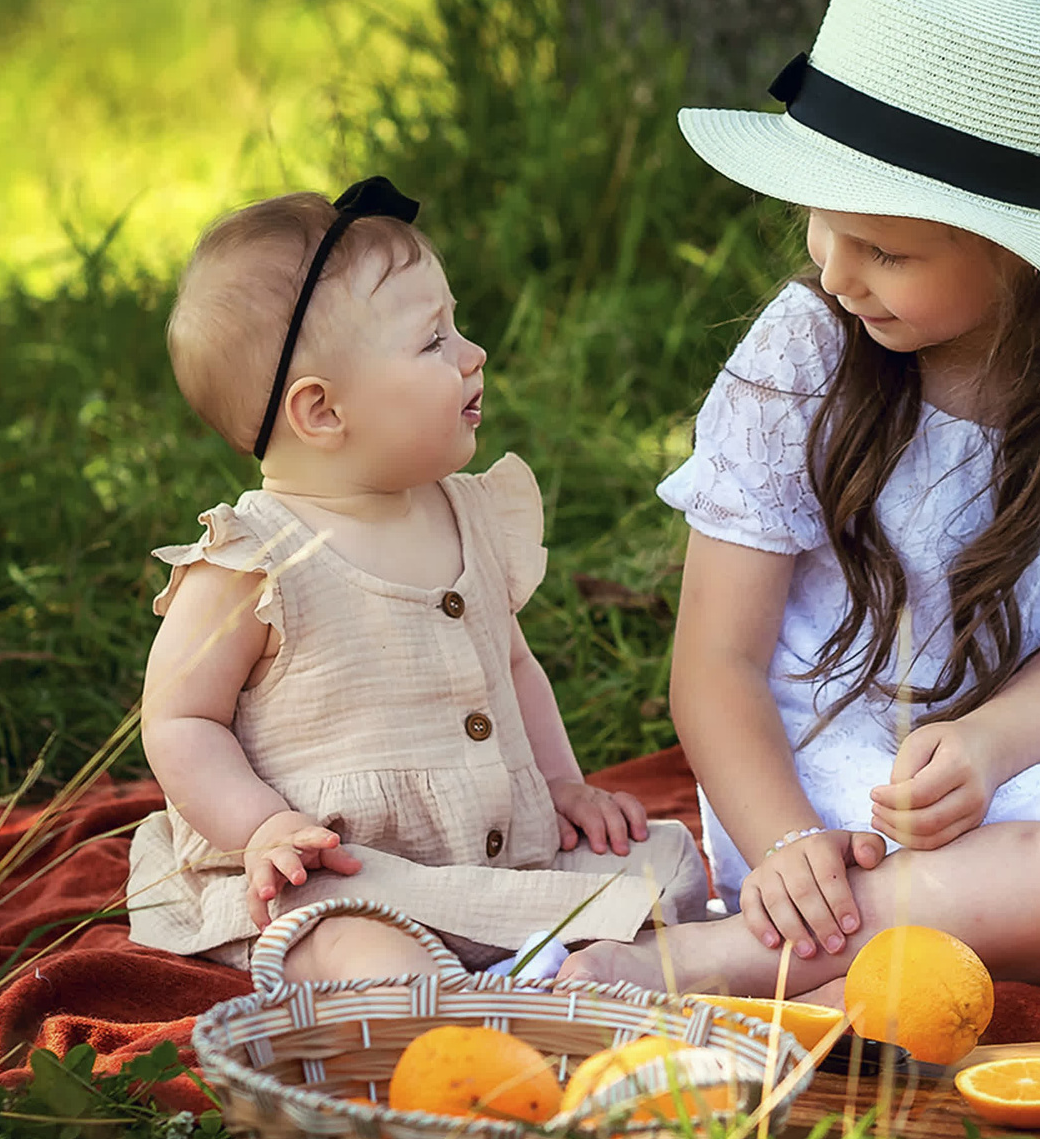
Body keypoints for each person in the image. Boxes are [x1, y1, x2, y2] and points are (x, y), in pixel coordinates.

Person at [558, 0, 1040, 997]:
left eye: (882, 246)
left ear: (1021, 251)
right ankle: (724, 955)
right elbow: (715, 665)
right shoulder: (805, 352)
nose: (831, 269)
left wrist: (994, 745)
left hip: (1017, 755)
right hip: (816, 794)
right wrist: (785, 848)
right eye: (819, 220)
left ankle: (846, 971)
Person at [125, 178, 708, 983]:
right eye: (434, 341)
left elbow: (512, 667)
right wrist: (261, 828)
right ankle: (470, 996)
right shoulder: (253, 558)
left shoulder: (467, 515)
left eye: (456, 326)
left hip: (493, 865)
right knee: (364, 954)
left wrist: (563, 786)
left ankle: (532, 971)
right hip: (342, 876)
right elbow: (181, 719)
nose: (474, 354)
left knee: (669, 871)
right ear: (322, 412)